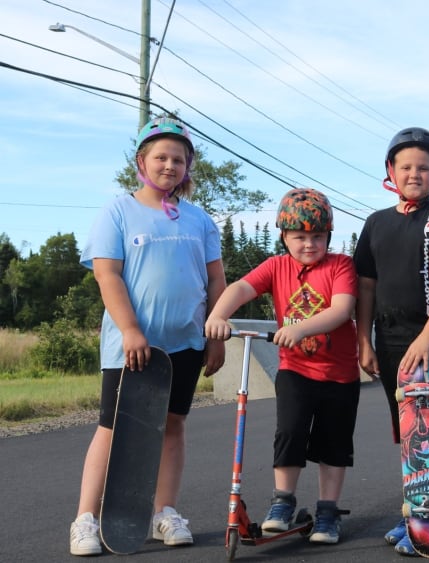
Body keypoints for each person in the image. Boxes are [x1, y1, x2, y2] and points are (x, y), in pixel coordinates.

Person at [69, 117, 226, 556]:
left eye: (178, 159)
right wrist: (132, 330)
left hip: (185, 344)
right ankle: (85, 518)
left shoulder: (199, 219)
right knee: (113, 427)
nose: (169, 165)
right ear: (142, 161)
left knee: (173, 426)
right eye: (161, 157)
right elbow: (107, 275)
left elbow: (216, 281)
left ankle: (165, 512)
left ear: (188, 166)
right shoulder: (118, 211)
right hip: (131, 346)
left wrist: (215, 334)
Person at [204, 187, 359, 545]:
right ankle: (283, 502)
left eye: (317, 237)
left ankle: (327, 511)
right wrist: (218, 315)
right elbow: (242, 288)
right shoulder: (276, 266)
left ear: (328, 236)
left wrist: (298, 328)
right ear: (284, 237)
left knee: (333, 443)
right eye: (300, 237)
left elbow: (340, 310)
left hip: (339, 374)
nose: (309, 244)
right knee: (289, 432)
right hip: (296, 370)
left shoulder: (340, 266)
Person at [353, 127, 429, 556]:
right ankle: (418, 514)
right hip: (389, 341)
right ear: (391, 170)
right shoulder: (376, 224)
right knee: (411, 436)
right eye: (405, 166)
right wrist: (364, 341)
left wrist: (427, 338)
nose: (414, 173)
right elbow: (365, 287)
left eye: (424, 167)